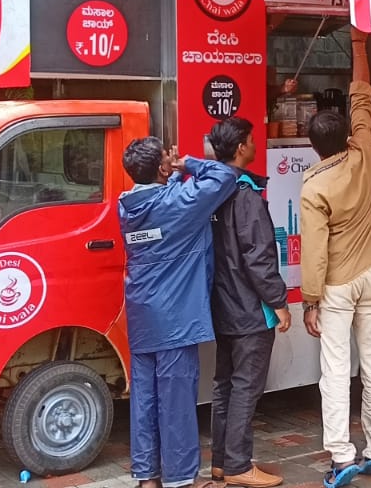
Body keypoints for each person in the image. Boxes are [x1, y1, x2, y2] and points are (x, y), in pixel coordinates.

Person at [298, 27, 371, 488]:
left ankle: (341, 455)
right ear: (346, 136)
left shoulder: (314, 186)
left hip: (337, 285)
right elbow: (361, 97)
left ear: (313, 145)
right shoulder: (364, 151)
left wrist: (309, 300)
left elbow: (315, 251)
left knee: (335, 370)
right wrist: (358, 44)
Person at [118, 138, 240, 488]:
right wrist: (187, 164)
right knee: (176, 398)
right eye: (165, 160)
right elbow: (225, 176)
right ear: (161, 167)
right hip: (175, 316)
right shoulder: (177, 202)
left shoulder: (128, 207)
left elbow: (162, 203)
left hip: (142, 313)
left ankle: (147, 476)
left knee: (144, 398)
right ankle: (181, 478)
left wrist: (168, 174)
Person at [206, 118, 292, 488]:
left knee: (224, 385)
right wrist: (279, 302)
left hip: (222, 306)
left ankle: (221, 463)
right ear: (242, 147)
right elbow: (259, 258)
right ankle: (239, 465)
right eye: (253, 140)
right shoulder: (246, 196)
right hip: (249, 310)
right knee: (245, 387)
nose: (257, 144)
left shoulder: (212, 191)